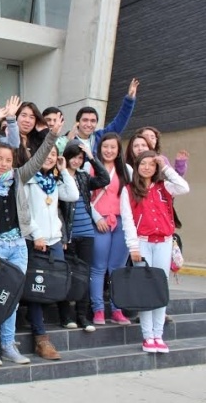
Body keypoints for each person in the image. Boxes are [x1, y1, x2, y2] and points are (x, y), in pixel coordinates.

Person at [0, 114, 64, 366]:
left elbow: (38, 160)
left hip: (18, 245)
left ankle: (9, 344)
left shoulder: (18, 177)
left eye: (7, 159)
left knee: (12, 296)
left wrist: (53, 135)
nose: (3, 163)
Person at [121, 151, 189, 353]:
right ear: (137, 165)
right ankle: (147, 336)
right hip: (142, 243)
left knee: (160, 289)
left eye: (152, 164)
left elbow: (184, 187)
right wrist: (133, 246)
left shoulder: (164, 187)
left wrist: (167, 167)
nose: (147, 167)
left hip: (164, 242)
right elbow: (127, 220)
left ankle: (158, 335)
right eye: (143, 163)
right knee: (145, 290)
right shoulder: (129, 190)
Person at [23, 145, 79, 359]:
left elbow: (72, 195)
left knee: (52, 285)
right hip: (35, 240)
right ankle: (40, 336)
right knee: (37, 289)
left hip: (55, 240)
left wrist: (64, 170)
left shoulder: (54, 183)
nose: (49, 158)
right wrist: (36, 234)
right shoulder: (29, 181)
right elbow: (25, 212)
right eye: (45, 153)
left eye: (53, 155)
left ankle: (43, 325)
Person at [57, 140, 110, 332]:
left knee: (84, 275)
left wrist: (91, 157)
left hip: (87, 233)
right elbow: (58, 211)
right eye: (74, 157)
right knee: (67, 275)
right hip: (69, 235)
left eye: (80, 158)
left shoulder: (84, 177)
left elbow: (105, 179)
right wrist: (63, 237)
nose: (77, 161)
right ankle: (66, 316)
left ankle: (82, 316)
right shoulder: (58, 177)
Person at [89, 133, 133, 325]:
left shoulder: (126, 170)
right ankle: (98, 309)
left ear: (118, 150)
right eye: (105, 147)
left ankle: (117, 309)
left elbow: (131, 199)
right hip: (99, 222)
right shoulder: (90, 167)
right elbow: (84, 197)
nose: (109, 151)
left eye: (113, 147)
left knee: (117, 269)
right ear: (100, 148)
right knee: (98, 268)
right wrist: (97, 218)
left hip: (121, 222)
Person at [58, 79, 139, 155]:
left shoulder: (100, 137)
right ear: (77, 122)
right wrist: (67, 141)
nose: (89, 124)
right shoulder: (66, 139)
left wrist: (130, 99)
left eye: (93, 121)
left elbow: (120, 121)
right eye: (85, 120)